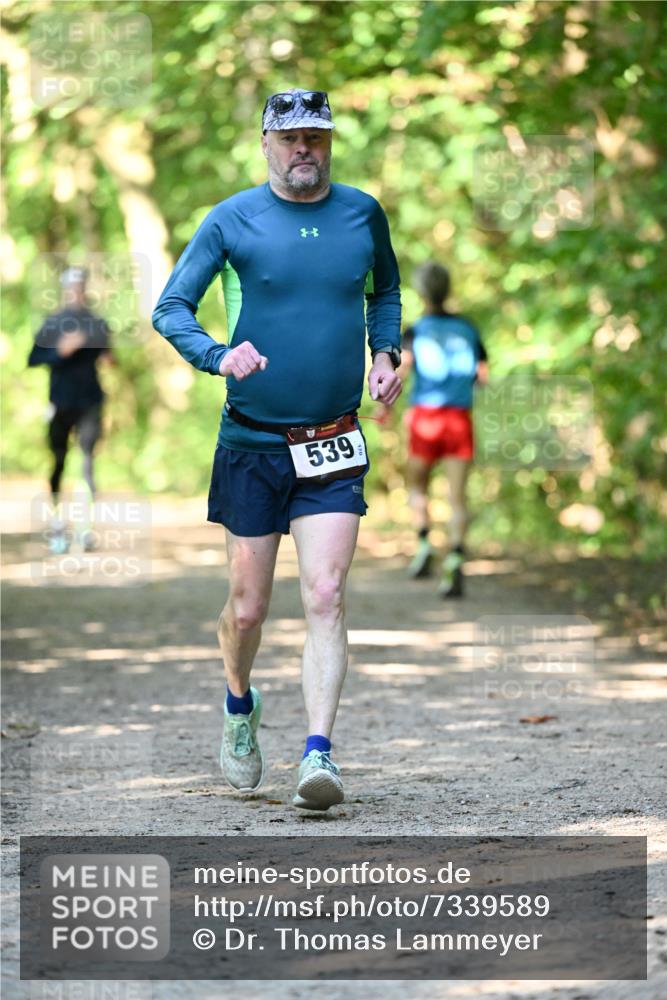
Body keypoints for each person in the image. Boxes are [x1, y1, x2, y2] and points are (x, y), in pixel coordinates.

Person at [152, 88, 402, 811]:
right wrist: (215, 355)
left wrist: (385, 350)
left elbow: (383, 289)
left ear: (329, 143)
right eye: (289, 137)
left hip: (331, 438)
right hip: (252, 443)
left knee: (325, 594)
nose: (303, 149)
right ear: (265, 142)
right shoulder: (232, 220)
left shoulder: (361, 212)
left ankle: (317, 756)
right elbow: (171, 307)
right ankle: (239, 708)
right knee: (249, 607)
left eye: (316, 137)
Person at [394, 262, 487, 597]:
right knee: (457, 496)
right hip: (459, 418)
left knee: (418, 485)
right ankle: (455, 559)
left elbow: (402, 371)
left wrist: (385, 407)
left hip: (425, 418)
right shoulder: (468, 329)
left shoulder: (416, 330)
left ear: (422, 292)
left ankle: (423, 545)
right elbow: (482, 376)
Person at [28, 266, 112, 553]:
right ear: (64, 290)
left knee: (87, 462)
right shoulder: (52, 324)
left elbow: (109, 356)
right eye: (71, 286)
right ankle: (56, 523)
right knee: (59, 462)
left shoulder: (97, 323)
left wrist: (108, 356)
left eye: (80, 285)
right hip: (60, 401)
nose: (76, 290)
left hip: (90, 401)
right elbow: (34, 358)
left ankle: (85, 529)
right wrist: (59, 352)